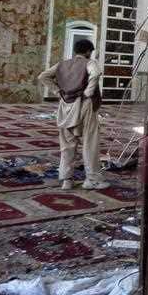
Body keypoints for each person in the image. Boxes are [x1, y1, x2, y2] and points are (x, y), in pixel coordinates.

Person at [37, 39, 109, 190]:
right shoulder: (90, 63)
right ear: (88, 51)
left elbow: (42, 76)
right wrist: (88, 92)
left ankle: (66, 180)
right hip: (85, 105)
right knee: (90, 142)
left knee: (67, 144)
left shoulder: (62, 64)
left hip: (65, 106)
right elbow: (96, 74)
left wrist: (57, 91)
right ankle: (92, 179)